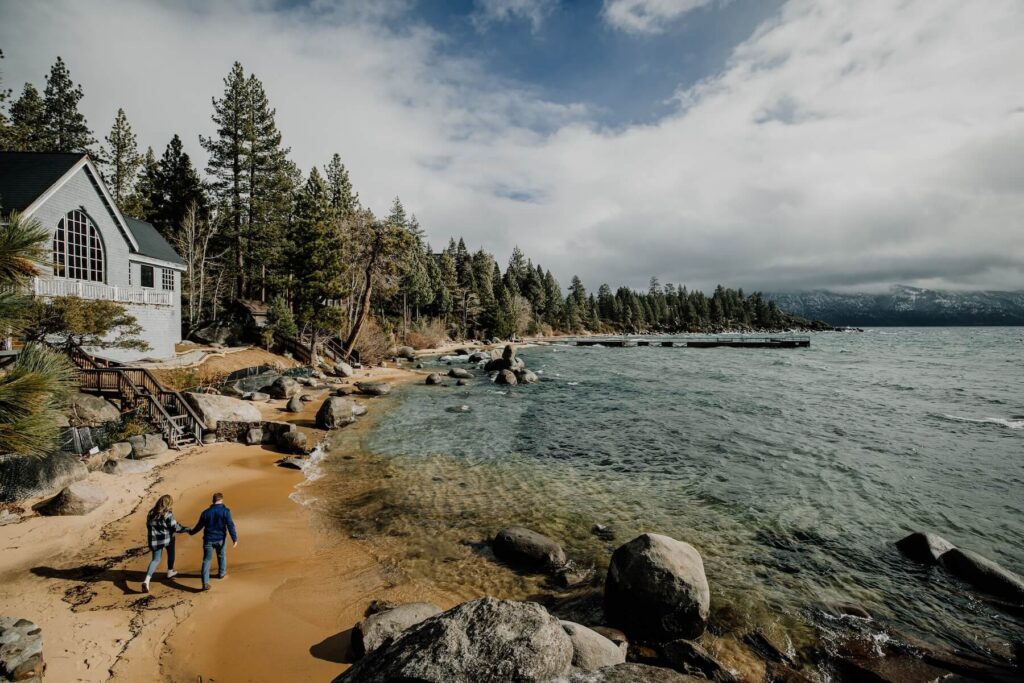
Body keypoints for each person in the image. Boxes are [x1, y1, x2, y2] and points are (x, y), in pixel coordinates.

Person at [189, 492, 238, 590]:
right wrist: (234, 539)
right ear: (222, 500)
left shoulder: (205, 512)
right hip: (220, 539)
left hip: (208, 540)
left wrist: (191, 532)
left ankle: (205, 582)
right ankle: (221, 573)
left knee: (206, 560)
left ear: (213, 500)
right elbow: (230, 525)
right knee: (222, 556)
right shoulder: (225, 511)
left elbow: (199, 526)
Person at [142, 494, 189, 593]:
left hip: (154, 540)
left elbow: (148, 526)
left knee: (155, 560)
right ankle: (170, 571)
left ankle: (146, 580)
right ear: (168, 504)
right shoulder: (168, 514)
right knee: (171, 551)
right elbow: (175, 527)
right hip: (167, 539)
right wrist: (186, 529)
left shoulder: (151, 513)